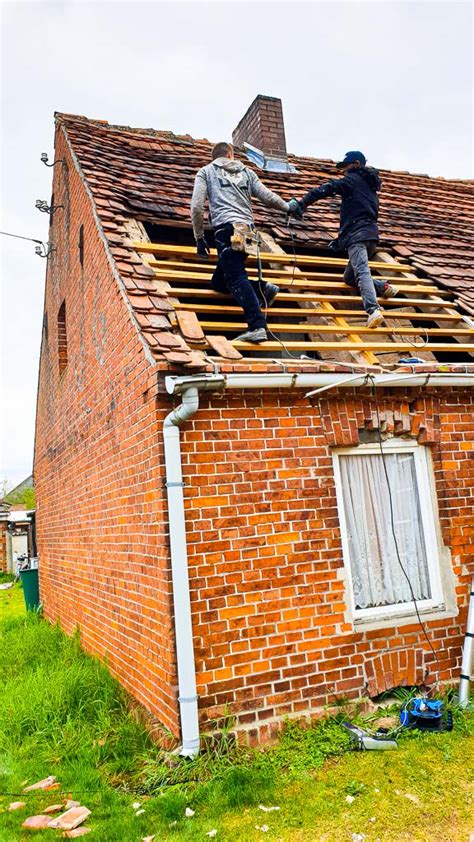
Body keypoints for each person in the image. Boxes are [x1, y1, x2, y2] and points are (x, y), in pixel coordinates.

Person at [191, 142, 290, 343]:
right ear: (231, 154)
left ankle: (257, 326)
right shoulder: (247, 172)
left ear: (215, 157)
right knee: (219, 281)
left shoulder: (207, 171)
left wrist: (199, 237)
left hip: (227, 230)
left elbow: (196, 207)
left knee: (236, 277)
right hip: (249, 232)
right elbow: (267, 196)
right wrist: (288, 207)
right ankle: (263, 289)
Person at [288, 151, 398, 328]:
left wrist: (302, 203)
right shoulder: (370, 189)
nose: (343, 171)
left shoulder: (352, 181)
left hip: (358, 237)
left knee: (362, 271)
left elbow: (326, 188)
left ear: (355, 164)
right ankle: (383, 287)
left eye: (346, 167)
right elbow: (359, 214)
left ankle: (373, 309)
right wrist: (340, 241)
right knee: (350, 277)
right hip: (371, 236)